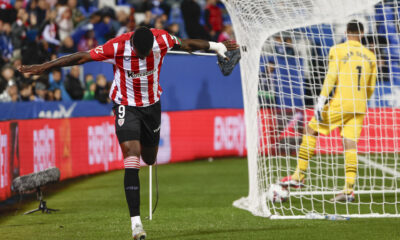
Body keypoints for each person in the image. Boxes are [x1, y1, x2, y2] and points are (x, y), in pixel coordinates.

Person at [18, 26, 238, 239]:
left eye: (146, 54)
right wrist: (44, 67)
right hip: (126, 105)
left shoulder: (160, 40)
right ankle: (136, 224)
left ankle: (140, 147)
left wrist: (216, 46)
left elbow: (188, 43)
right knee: (132, 156)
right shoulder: (116, 47)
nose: (143, 58)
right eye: (139, 55)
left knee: (149, 158)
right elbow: (80, 57)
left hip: (152, 106)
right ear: (132, 45)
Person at [280, 20, 377, 202]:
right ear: (362, 34)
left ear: (347, 32)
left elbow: (331, 76)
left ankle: (299, 176)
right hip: (359, 106)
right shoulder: (370, 56)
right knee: (350, 144)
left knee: (310, 130)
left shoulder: (337, 49)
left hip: (341, 103)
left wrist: (321, 99)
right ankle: (348, 190)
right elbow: (371, 87)